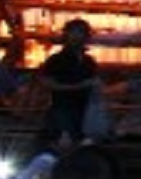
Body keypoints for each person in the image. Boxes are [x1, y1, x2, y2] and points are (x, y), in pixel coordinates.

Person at [38, 19, 99, 147]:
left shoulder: (89, 61)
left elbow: (95, 84)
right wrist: (78, 86)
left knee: (81, 145)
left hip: (85, 110)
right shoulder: (56, 60)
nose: (76, 36)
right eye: (73, 32)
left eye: (80, 33)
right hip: (63, 110)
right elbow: (47, 84)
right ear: (65, 35)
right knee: (65, 146)